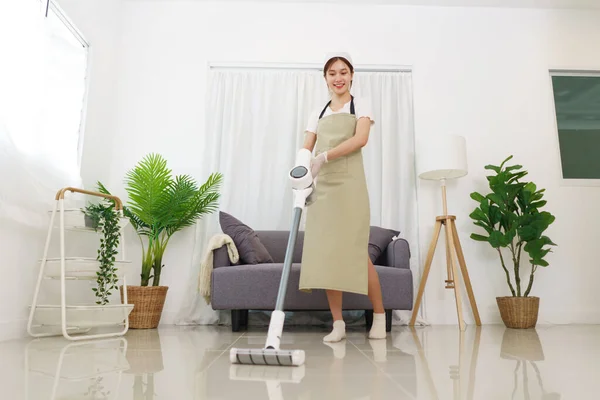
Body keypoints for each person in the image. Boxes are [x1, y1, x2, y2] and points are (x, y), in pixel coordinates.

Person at [298, 52, 386, 342]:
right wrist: (301, 171)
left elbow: (361, 139)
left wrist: (325, 156)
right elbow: (306, 148)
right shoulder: (318, 112)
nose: (338, 77)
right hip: (322, 190)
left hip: (350, 186)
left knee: (357, 253)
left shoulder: (360, 104)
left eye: (343, 72)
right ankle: (338, 324)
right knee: (327, 256)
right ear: (325, 79)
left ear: (351, 76)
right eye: (332, 73)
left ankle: (380, 316)